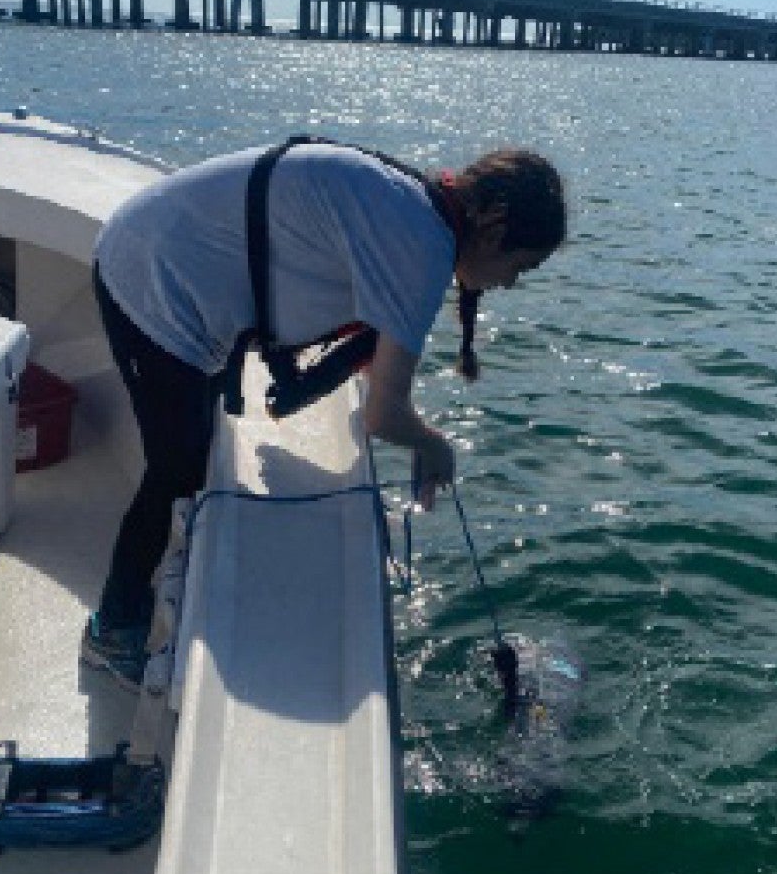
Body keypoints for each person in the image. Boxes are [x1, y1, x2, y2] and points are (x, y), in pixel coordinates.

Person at [81, 139, 566, 690]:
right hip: (153, 281)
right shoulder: (424, 245)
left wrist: (408, 422)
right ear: (496, 228)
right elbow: (383, 416)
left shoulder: (415, 209)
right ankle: (111, 631)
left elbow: (378, 375)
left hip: (172, 258)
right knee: (176, 470)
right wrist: (434, 445)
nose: (509, 284)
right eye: (519, 269)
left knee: (191, 451)